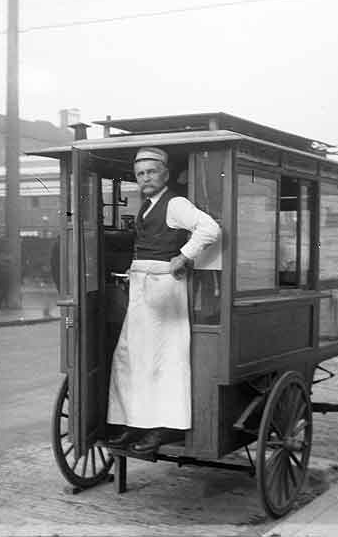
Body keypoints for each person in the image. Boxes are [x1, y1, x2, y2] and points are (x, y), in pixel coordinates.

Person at [105, 147, 221, 454]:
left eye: (151, 172)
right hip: (143, 285)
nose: (146, 178)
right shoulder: (147, 205)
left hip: (164, 287)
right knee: (132, 358)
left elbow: (210, 228)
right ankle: (134, 423)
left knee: (161, 360)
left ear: (165, 174)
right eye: (141, 174)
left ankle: (161, 428)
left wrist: (183, 257)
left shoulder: (175, 203)